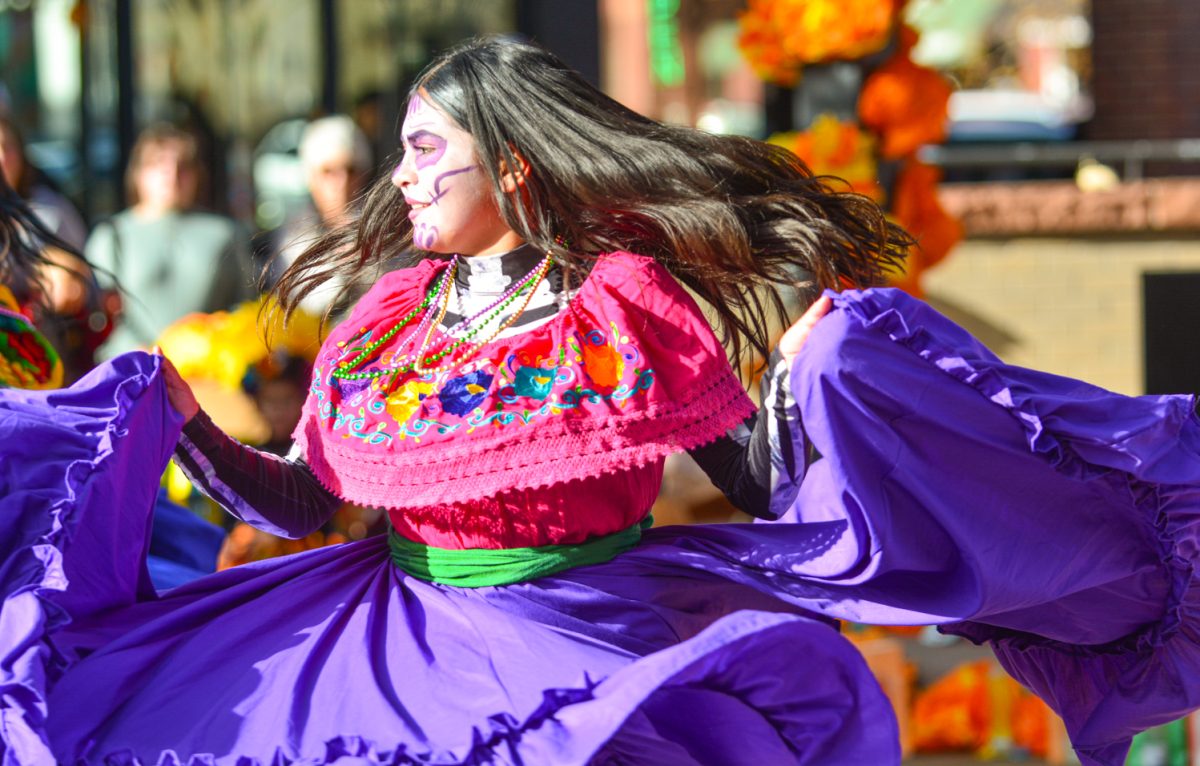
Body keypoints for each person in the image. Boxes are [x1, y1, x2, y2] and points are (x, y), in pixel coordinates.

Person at [0, 37, 1198, 766]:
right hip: (383, 641)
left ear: (515, 168)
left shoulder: (627, 307)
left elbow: (756, 475)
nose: (400, 176)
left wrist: (830, 379)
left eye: (428, 150)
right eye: (402, 152)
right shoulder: (381, 319)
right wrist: (178, 418)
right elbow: (308, 499)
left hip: (585, 651)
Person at [85, 123, 254, 360]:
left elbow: (245, 308)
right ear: (138, 173)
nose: (171, 174)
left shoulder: (226, 233)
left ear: (198, 175)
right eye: (158, 164)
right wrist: (138, 353)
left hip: (207, 373)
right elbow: (98, 318)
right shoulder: (112, 236)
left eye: (183, 166)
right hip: (133, 372)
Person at [263, 114, 375, 317]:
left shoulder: (380, 228)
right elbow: (296, 304)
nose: (341, 183)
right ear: (311, 177)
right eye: (329, 172)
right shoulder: (293, 234)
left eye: (350, 170)